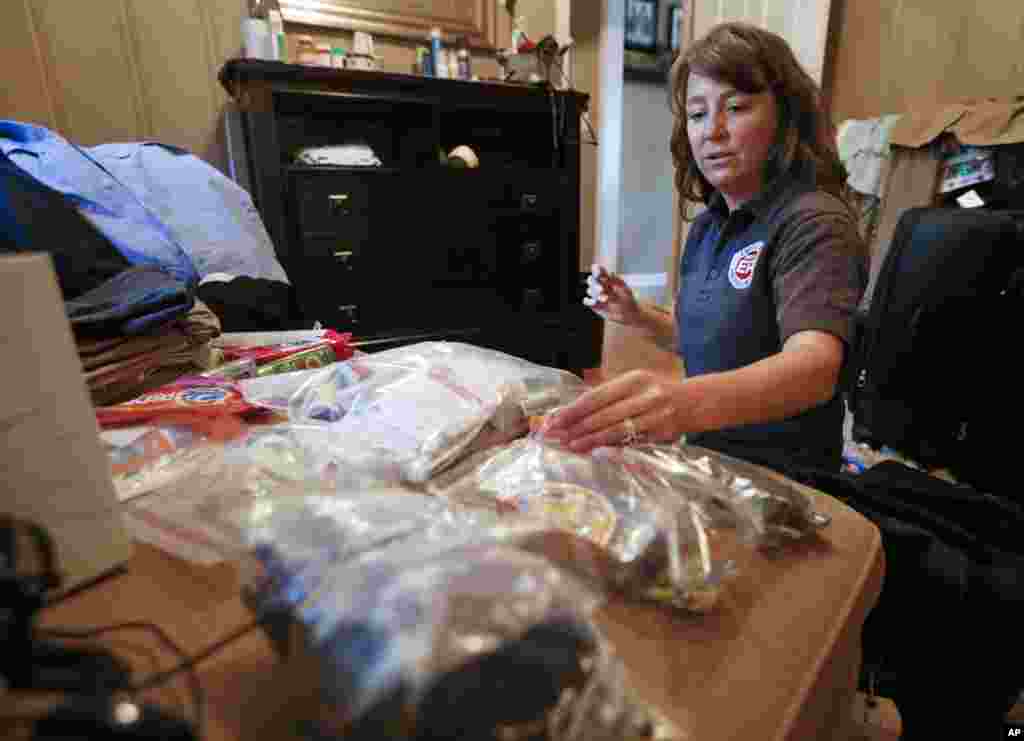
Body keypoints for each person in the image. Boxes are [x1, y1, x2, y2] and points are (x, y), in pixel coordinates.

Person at [545, 22, 867, 472]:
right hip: (708, 462)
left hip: (788, 480)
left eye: (735, 107)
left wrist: (681, 403)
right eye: (697, 114)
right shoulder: (708, 227)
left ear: (786, 118)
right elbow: (710, 341)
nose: (711, 131)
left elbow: (813, 369)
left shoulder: (814, 221)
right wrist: (637, 314)